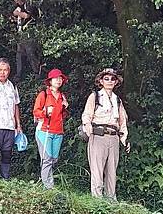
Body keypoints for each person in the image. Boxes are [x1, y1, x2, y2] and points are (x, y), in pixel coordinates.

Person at [81, 68, 130, 199]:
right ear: (101, 81)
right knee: (97, 170)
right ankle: (97, 201)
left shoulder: (117, 100)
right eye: (106, 78)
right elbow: (87, 115)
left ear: (116, 82)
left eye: (112, 79)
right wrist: (87, 127)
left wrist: (124, 139)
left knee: (112, 171)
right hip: (98, 135)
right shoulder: (95, 96)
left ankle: (111, 200)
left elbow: (122, 121)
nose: (109, 81)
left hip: (113, 137)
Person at [33, 69, 69, 189]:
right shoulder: (43, 94)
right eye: (56, 78)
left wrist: (65, 107)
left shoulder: (62, 96)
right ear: (50, 81)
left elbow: (63, 116)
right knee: (47, 159)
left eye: (60, 78)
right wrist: (44, 112)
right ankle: (48, 186)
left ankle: (45, 182)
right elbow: (36, 111)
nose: (59, 80)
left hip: (58, 131)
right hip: (44, 130)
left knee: (53, 159)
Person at [11, 0, 41, 82]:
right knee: (19, 55)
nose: (16, 1)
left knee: (30, 53)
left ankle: (37, 74)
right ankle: (19, 76)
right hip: (21, 34)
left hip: (29, 34)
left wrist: (17, 13)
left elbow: (27, 16)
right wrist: (15, 19)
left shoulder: (29, 5)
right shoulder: (19, 7)